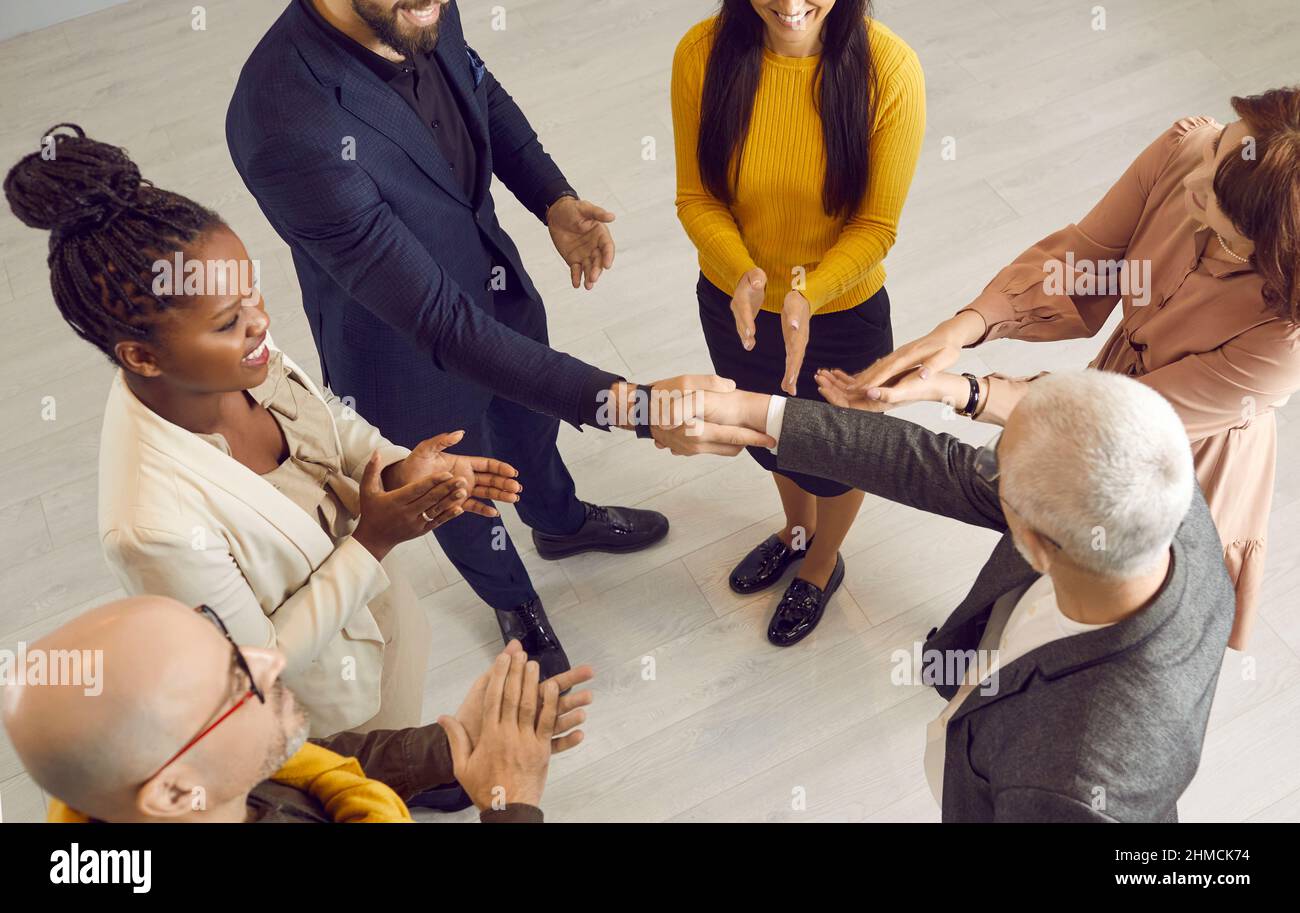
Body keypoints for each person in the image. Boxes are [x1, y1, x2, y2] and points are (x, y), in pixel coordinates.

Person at [226, 0, 771, 677]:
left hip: (494, 282)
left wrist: (552, 197)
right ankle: (511, 598)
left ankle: (559, 520)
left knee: (530, 427)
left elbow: (479, 87)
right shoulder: (283, 119)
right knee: (462, 490)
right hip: (401, 351)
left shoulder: (417, 8)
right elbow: (441, 324)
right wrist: (639, 407)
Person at [3, 125, 523, 736]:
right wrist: (374, 541)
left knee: (403, 700)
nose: (261, 323)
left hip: (378, 613)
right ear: (142, 358)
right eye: (230, 320)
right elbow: (253, 667)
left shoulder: (235, 344)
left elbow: (323, 414)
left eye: (253, 294)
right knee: (377, 766)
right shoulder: (150, 525)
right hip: (326, 702)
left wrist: (399, 466)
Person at [835, 88, 1300, 650]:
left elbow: (1122, 417)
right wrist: (962, 329)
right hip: (1110, 392)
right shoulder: (1189, 152)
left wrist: (962, 392)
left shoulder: (1284, 341)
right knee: (1040, 543)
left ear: (1265, 241)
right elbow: (1084, 266)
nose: (1193, 181)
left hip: (1185, 452)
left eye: (1213, 195)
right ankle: (971, 655)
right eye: (1218, 149)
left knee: (1105, 614)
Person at [687, 370, 1234, 820]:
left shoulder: (1075, 786)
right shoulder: (1155, 496)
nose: (983, 464)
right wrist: (760, 413)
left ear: (1037, 544)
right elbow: (935, 466)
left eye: (997, 464)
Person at [671, 0, 924, 645]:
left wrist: (809, 292)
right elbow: (698, 196)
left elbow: (875, 225)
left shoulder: (890, 70)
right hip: (741, 305)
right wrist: (747, 274)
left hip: (841, 315)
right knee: (771, 437)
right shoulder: (701, 53)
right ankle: (795, 531)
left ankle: (819, 563)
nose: (789, 5)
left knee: (840, 461)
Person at [1, 595, 593, 823]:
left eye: (225, 641)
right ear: (175, 792)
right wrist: (512, 804)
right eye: (235, 685)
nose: (268, 661)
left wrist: (448, 746)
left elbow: (297, 765)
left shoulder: (191, 782)